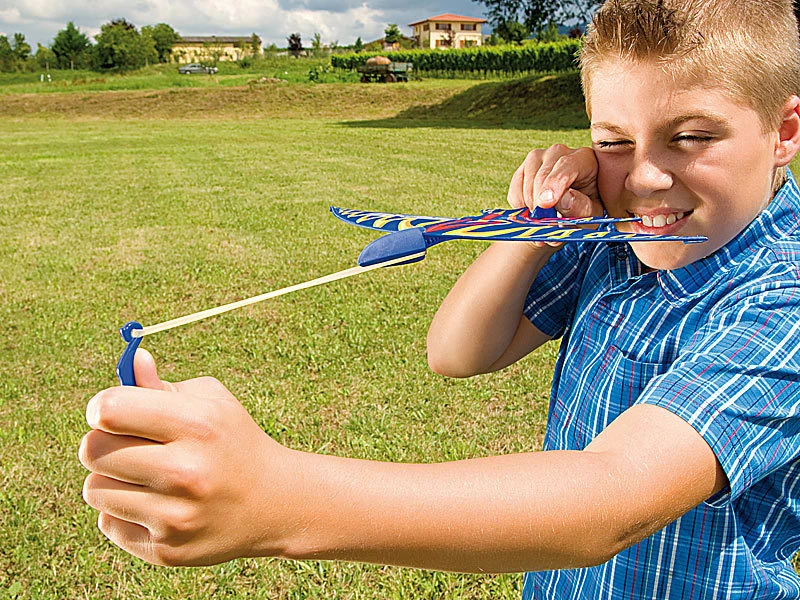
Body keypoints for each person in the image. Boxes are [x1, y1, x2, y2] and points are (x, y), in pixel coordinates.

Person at [79, 0, 800, 596]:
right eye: (613, 141)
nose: (644, 178)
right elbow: (457, 351)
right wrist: (537, 229)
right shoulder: (615, 242)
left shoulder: (784, 295)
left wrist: (275, 496)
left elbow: (608, 500)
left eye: (691, 137)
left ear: (784, 133)